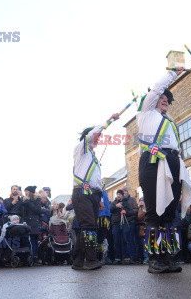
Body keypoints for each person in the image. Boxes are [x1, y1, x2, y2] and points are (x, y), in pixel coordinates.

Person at [137, 68, 191, 273]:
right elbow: (155, 90)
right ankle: (155, 259)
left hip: (172, 161)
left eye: (167, 99)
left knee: (170, 213)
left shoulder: (169, 122)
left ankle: (168, 256)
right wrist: (172, 74)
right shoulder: (146, 114)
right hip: (153, 162)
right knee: (154, 212)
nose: (164, 100)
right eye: (161, 97)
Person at [71, 113, 119, 270]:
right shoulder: (80, 150)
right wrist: (109, 121)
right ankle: (91, 259)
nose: (98, 138)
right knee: (89, 226)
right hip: (82, 193)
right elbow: (93, 134)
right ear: (88, 137)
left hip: (94, 194)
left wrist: (99, 199)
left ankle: (77, 260)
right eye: (96, 136)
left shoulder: (93, 157)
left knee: (88, 226)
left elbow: (96, 180)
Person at [110, 190, 135, 264]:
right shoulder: (114, 203)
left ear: (122, 195)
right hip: (116, 223)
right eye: (117, 194)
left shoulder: (127, 202)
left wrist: (126, 212)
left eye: (120, 194)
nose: (118, 195)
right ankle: (118, 258)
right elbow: (110, 209)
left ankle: (127, 257)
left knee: (126, 240)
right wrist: (115, 206)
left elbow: (132, 212)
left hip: (125, 223)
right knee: (116, 241)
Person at [23, 186, 41, 262]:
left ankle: (35, 256)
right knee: (30, 240)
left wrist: (28, 202)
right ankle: (31, 256)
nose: (25, 193)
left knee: (33, 240)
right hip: (27, 222)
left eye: (26, 191)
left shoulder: (37, 199)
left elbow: (37, 210)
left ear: (30, 192)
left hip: (34, 222)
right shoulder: (25, 200)